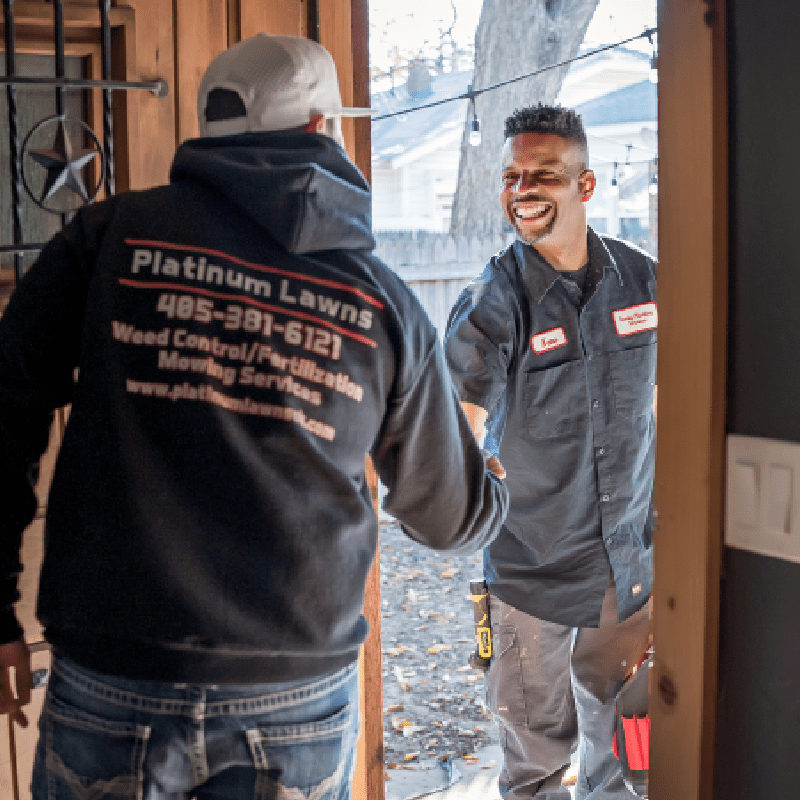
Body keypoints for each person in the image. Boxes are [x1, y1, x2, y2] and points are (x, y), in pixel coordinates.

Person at [0, 33, 508, 800]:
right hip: (296, 694)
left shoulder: (109, 239)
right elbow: (448, 518)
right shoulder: (380, 302)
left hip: (118, 670)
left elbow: (6, 403)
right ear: (319, 132)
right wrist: (488, 482)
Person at [444, 105, 656, 799]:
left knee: (624, 754)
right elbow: (462, 408)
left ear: (585, 186)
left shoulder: (647, 283)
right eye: (512, 176)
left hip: (629, 563)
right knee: (535, 765)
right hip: (530, 567)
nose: (522, 190)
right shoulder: (493, 298)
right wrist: (461, 455)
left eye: (543, 175)